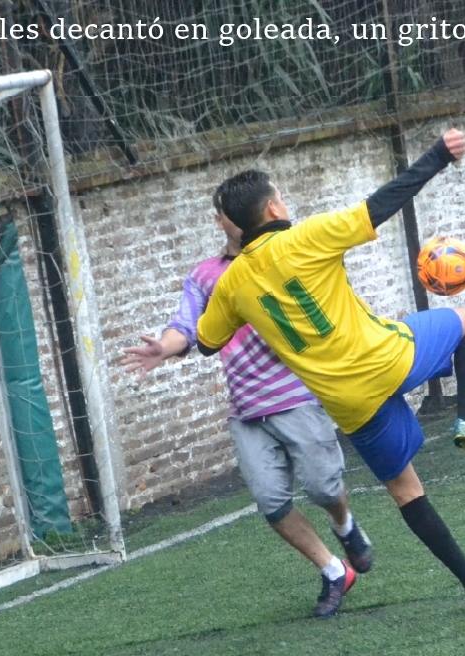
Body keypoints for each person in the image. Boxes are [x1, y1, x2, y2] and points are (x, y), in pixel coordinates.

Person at [196, 128, 465, 614]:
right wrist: (439, 155)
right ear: (271, 209)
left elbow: (207, 343)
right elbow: (384, 202)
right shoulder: (305, 237)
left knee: (406, 492)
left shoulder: (231, 285)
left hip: (349, 404)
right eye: (280, 197)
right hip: (387, 358)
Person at [121, 198, 372, 618]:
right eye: (225, 213)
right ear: (221, 221)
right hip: (246, 410)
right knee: (271, 502)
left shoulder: (283, 254)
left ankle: (345, 526)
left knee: (324, 489)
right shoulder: (205, 275)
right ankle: (334, 571)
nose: (231, 219)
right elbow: (185, 327)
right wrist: (163, 348)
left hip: (296, 395)